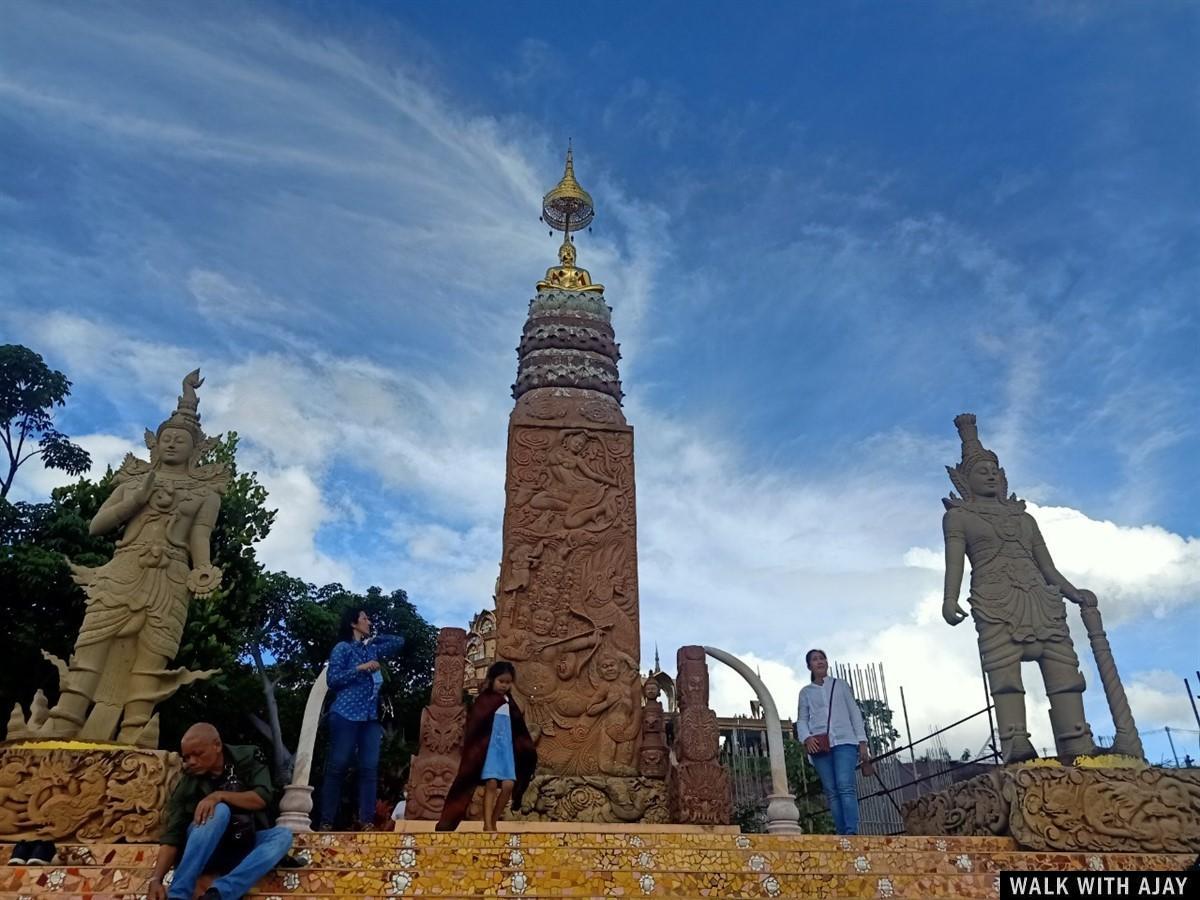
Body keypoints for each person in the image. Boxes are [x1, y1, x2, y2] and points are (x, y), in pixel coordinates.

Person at [148, 723, 292, 900]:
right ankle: (178, 895)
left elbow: (262, 797)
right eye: (187, 757)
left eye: (198, 754)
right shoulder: (189, 781)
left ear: (217, 745)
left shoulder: (247, 757)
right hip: (207, 852)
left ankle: (218, 894)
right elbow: (173, 835)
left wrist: (219, 796)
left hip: (241, 845)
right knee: (219, 811)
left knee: (282, 835)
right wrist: (156, 879)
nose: (191, 761)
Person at [318, 607, 405, 830]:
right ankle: (326, 821)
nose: (369, 621)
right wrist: (361, 668)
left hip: (370, 717)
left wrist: (374, 638)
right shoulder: (343, 648)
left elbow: (399, 641)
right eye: (365, 619)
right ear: (353, 623)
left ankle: (367, 821)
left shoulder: (371, 649)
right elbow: (333, 679)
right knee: (338, 766)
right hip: (345, 713)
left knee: (369, 768)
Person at [436, 661, 537, 832]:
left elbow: (519, 729)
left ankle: (495, 819)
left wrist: (524, 749)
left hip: (506, 751)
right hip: (489, 750)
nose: (504, 686)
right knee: (491, 784)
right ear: (492, 680)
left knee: (508, 786)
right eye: (501, 681)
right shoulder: (484, 700)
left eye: (508, 682)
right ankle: (488, 825)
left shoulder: (510, 703)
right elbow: (475, 726)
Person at [795, 649, 872, 836]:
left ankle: (851, 831)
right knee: (831, 790)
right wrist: (806, 737)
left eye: (822, 658)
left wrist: (862, 742)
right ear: (809, 666)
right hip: (820, 744)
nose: (820, 662)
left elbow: (854, 712)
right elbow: (802, 719)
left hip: (845, 740)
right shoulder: (806, 692)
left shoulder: (841, 685)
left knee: (845, 785)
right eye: (815, 659)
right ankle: (840, 832)